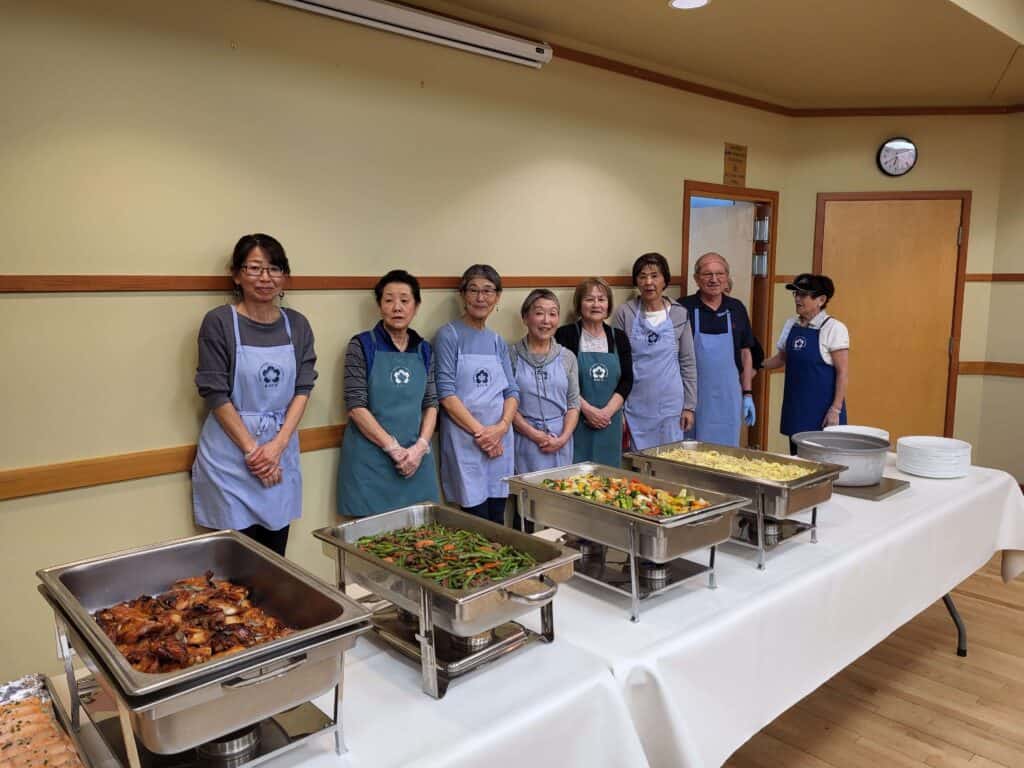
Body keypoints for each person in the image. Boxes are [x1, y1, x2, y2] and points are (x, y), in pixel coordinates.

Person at [192, 234, 317, 556]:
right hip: (231, 457)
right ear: (236, 275)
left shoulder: (297, 324)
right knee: (236, 564)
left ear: (284, 276)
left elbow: (304, 387)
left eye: (274, 269)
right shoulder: (219, 322)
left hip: (280, 448)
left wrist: (277, 447)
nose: (265, 278)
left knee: (275, 557)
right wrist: (253, 452)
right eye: (255, 268)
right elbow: (214, 392)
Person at [336, 270, 440, 518]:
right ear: (379, 305)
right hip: (371, 462)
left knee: (421, 535)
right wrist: (392, 448)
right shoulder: (362, 345)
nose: (397, 307)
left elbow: (431, 403)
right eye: (389, 300)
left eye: (405, 300)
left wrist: (420, 448)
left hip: (416, 460)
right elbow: (356, 406)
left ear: (416, 306)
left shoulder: (424, 349)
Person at [435, 265, 519, 523]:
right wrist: (483, 434)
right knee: (476, 520)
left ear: (497, 297)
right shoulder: (448, 335)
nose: (480, 298)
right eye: (473, 290)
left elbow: (512, 391)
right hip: (466, 441)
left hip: (500, 440)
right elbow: (446, 393)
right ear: (463, 295)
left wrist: (501, 428)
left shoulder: (497, 341)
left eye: (488, 291)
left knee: (497, 515)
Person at [611, 253, 697, 451]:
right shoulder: (625, 313)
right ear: (636, 281)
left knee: (669, 457)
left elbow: (688, 361)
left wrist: (689, 406)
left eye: (654, 276)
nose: (648, 282)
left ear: (665, 280)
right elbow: (616, 362)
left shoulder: (679, 313)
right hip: (635, 402)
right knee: (637, 460)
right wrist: (618, 407)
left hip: (670, 405)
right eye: (642, 276)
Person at [762, 273, 850, 454]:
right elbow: (781, 359)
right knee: (797, 458)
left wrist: (835, 410)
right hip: (796, 408)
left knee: (823, 461)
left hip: (822, 412)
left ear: (821, 300)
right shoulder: (791, 325)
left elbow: (843, 373)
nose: (797, 299)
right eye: (796, 294)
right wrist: (756, 365)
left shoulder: (834, 328)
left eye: (803, 295)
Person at [678, 252, 757, 446]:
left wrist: (747, 394)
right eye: (707, 274)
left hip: (728, 398)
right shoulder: (683, 308)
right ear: (696, 278)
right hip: (693, 398)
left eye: (720, 274)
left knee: (726, 453)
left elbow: (746, 353)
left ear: (726, 277)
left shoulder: (736, 308)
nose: (714, 279)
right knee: (690, 453)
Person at [555, 278, 633, 466]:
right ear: (579, 304)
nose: (596, 304)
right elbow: (562, 380)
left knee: (609, 475)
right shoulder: (565, 335)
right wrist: (589, 411)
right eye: (589, 299)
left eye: (601, 299)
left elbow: (627, 380)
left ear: (608, 305)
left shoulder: (619, 337)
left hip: (610, 421)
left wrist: (606, 413)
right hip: (576, 418)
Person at [510, 289, 580, 473]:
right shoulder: (511, 355)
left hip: (560, 440)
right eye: (539, 313)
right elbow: (507, 405)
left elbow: (573, 404)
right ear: (525, 317)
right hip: (524, 439)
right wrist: (534, 434)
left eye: (553, 314)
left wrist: (563, 438)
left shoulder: (567, 357)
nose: (546, 320)